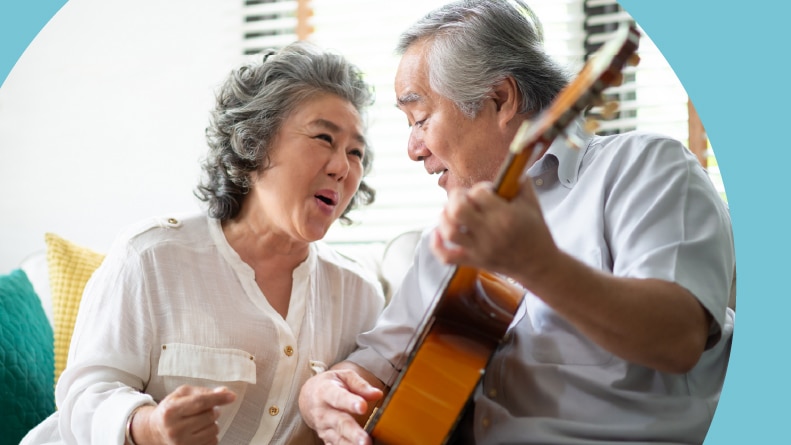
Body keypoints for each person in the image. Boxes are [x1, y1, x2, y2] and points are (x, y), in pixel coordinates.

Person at [298, 1, 735, 444]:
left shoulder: (644, 168)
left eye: (422, 119)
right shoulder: (448, 237)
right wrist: (321, 391)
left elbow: (678, 337)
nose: (414, 149)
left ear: (500, 99)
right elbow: (377, 362)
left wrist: (537, 265)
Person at [22, 41, 384, 445]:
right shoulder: (151, 257)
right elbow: (86, 396)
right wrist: (151, 427)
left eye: (356, 153)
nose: (342, 168)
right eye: (323, 138)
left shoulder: (358, 294)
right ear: (255, 144)